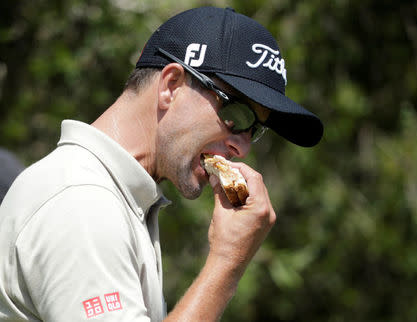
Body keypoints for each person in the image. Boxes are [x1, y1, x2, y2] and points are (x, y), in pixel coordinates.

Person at [0, 6, 323, 321]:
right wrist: (227, 262)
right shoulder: (82, 201)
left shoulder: (114, 197)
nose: (242, 147)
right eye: (237, 115)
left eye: (256, 130)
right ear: (171, 86)